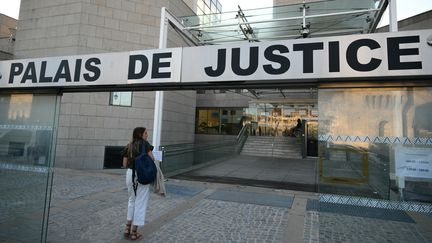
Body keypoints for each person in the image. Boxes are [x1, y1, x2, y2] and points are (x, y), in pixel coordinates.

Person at [121, 127, 155, 240]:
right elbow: (152, 158)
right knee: (141, 202)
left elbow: (125, 164)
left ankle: (127, 228)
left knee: (131, 200)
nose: (147, 135)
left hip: (130, 174)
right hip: (142, 175)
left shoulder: (129, 145)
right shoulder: (145, 144)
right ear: (140, 134)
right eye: (145, 133)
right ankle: (134, 232)